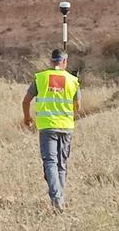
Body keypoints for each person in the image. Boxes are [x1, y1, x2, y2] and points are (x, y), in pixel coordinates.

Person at [22, 49, 81, 213]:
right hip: (66, 126)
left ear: (51, 61)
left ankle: (57, 199)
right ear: (65, 62)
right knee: (62, 165)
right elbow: (78, 106)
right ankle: (59, 199)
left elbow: (26, 101)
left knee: (50, 163)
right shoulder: (72, 80)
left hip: (47, 126)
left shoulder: (40, 78)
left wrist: (27, 117)